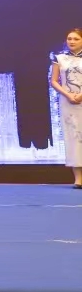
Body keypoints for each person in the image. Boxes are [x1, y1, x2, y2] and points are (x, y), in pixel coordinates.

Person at [50, 28, 82, 188]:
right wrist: (69, 95)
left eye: (76, 39)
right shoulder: (59, 58)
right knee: (73, 138)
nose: (72, 41)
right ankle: (78, 179)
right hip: (68, 102)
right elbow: (54, 81)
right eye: (69, 38)